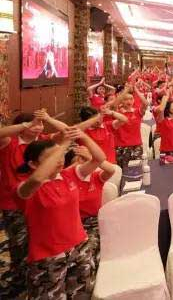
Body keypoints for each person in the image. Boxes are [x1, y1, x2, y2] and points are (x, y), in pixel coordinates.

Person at [16, 127, 106, 298]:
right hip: (49, 256)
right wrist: (63, 145)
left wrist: (83, 136)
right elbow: (37, 178)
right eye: (52, 157)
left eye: (60, 155)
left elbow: (99, 159)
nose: (59, 160)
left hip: (79, 246)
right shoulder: (25, 187)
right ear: (33, 164)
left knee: (82, 293)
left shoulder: (68, 175)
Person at [0, 110, 66, 288]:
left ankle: (40, 277)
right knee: (20, 243)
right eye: (34, 124)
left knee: (41, 241)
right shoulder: (10, 143)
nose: (38, 127)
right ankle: (20, 281)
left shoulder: (43, 142)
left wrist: (48, 118)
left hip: (42, 200)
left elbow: (67, 132)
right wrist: (26, 124)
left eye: (40, 124)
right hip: (14, 203)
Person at [64, 141, 116, 289]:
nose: (83, 164)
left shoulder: (95, 177)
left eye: (85, 160)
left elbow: (111, 170)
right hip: (74, 224)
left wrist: (93, 159)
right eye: (78, 161)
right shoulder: (66, 181)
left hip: (94, 222)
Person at [114, 85, 149, 168]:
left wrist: (136, 89)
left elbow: (146, 103)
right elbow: (114, 104)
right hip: (121, 146)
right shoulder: (117, 113)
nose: (129, 101)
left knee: (137, 169)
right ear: (121, 101)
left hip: (136, 146)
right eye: (125, 99)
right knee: (123, 170)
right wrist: (126, 90)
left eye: (131, 99)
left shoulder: (137, 112)